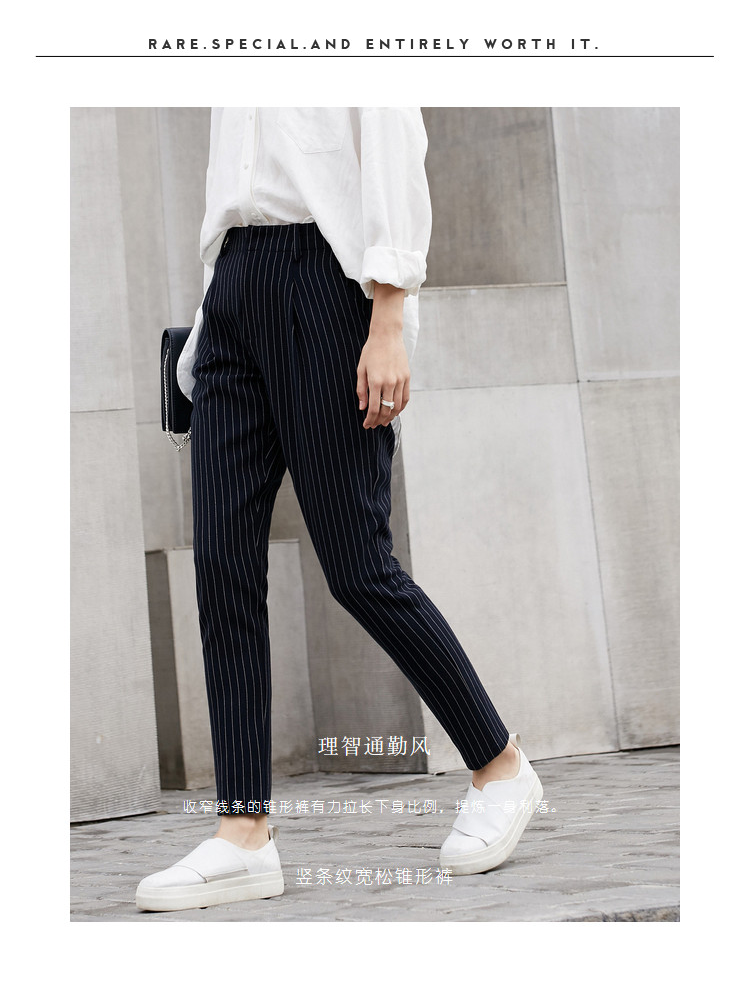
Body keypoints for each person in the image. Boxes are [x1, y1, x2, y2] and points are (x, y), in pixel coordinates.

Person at [135, 107, 543, 913]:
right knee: (221, 563)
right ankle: (242, 832)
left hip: (324, 281)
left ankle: (500, 766)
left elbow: (392, 142)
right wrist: (216, 306)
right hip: (233, 289)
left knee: (358, 565)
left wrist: (388, 317)